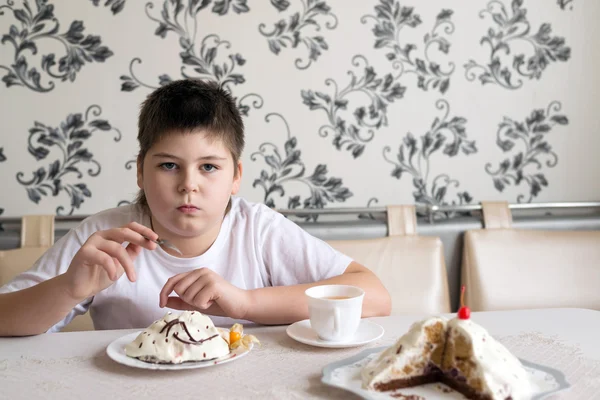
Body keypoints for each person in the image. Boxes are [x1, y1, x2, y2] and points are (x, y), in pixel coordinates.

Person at [0, 79, 391, 336]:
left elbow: (375, 296)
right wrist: (69, 288)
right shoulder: (105, 238)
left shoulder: (258, 229)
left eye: (208, 167)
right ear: (140, 171)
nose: (189, 184)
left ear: (235, 176)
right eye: (169, 165)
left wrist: (245, 302)